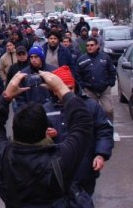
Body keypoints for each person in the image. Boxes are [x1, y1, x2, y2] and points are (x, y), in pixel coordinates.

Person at [0, 71, 94, 208]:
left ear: (15, 131)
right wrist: (61, 88)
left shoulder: (2, 156)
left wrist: (6, 96)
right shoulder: (60, 160)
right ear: (45, 131)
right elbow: (82, 124)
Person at [44, 66, 114, 195]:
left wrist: (101, 154)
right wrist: (45, 135)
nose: (66, 92)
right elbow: (33, 138)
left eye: (70, 88)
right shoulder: (45, 109)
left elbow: (104, 130)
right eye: (62, 88)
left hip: (85, 171)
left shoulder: (90, 106)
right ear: (54, 90)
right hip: (57, 173)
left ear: (75, 86)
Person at [76, 37, 117, 123]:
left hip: (104, 89)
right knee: (91, 111)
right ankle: (93, 129)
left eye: (92, 45)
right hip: (89, 90)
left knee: (108, 110)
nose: (89, 47)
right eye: (87, 45)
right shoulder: (81, 60)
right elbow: (78, 75)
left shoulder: (105, 57)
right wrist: (83, 86)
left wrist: (111, 83)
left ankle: (109, 126)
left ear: (97, 46)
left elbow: (112, 71)